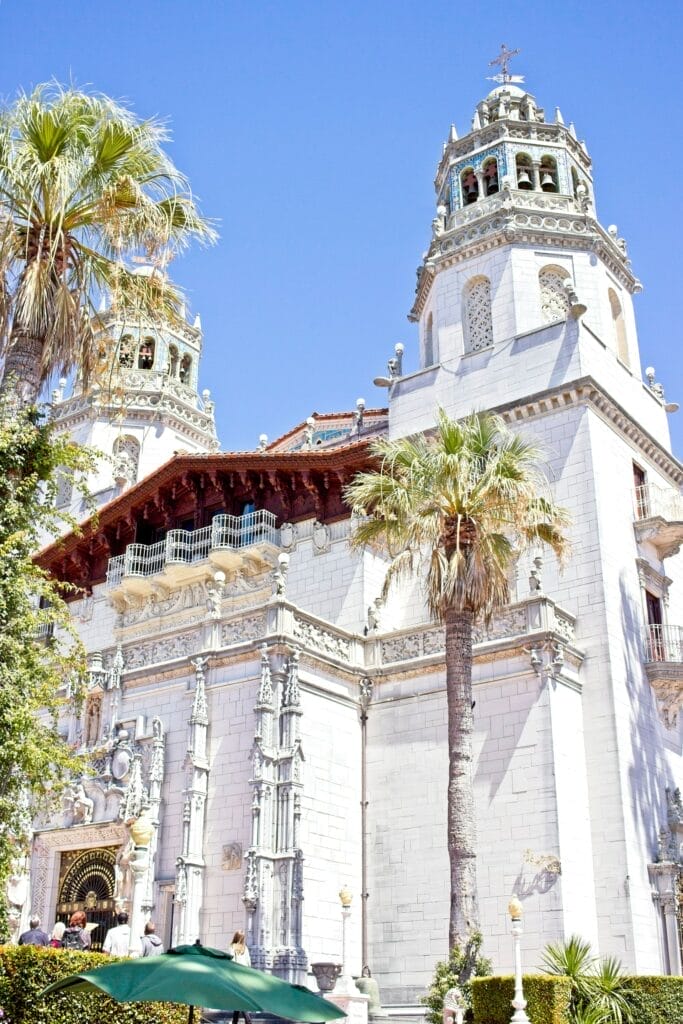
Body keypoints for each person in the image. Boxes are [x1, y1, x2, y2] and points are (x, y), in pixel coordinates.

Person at [229, 932, 252, 1024]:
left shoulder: (232, 947)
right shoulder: (244, 948)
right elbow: (249, 963)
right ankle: (236, 1021)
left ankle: (248, 1020)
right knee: (238, 999)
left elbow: (232, 961)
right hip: (245, 976)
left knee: (239, 999)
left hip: (237, 976)